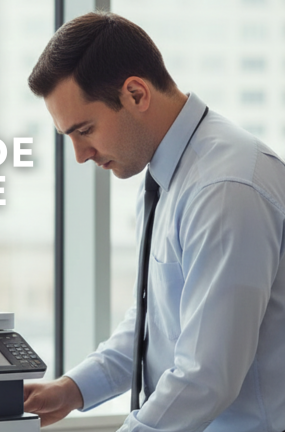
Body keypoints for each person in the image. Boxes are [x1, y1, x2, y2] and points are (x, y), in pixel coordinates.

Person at [23, 11, 285, 432]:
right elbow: (158, 326)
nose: (80, 154)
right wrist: (72, 389)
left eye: (85, 130)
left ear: (136, 94)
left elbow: (207, 375)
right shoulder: (174, 174)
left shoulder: (222, 188)